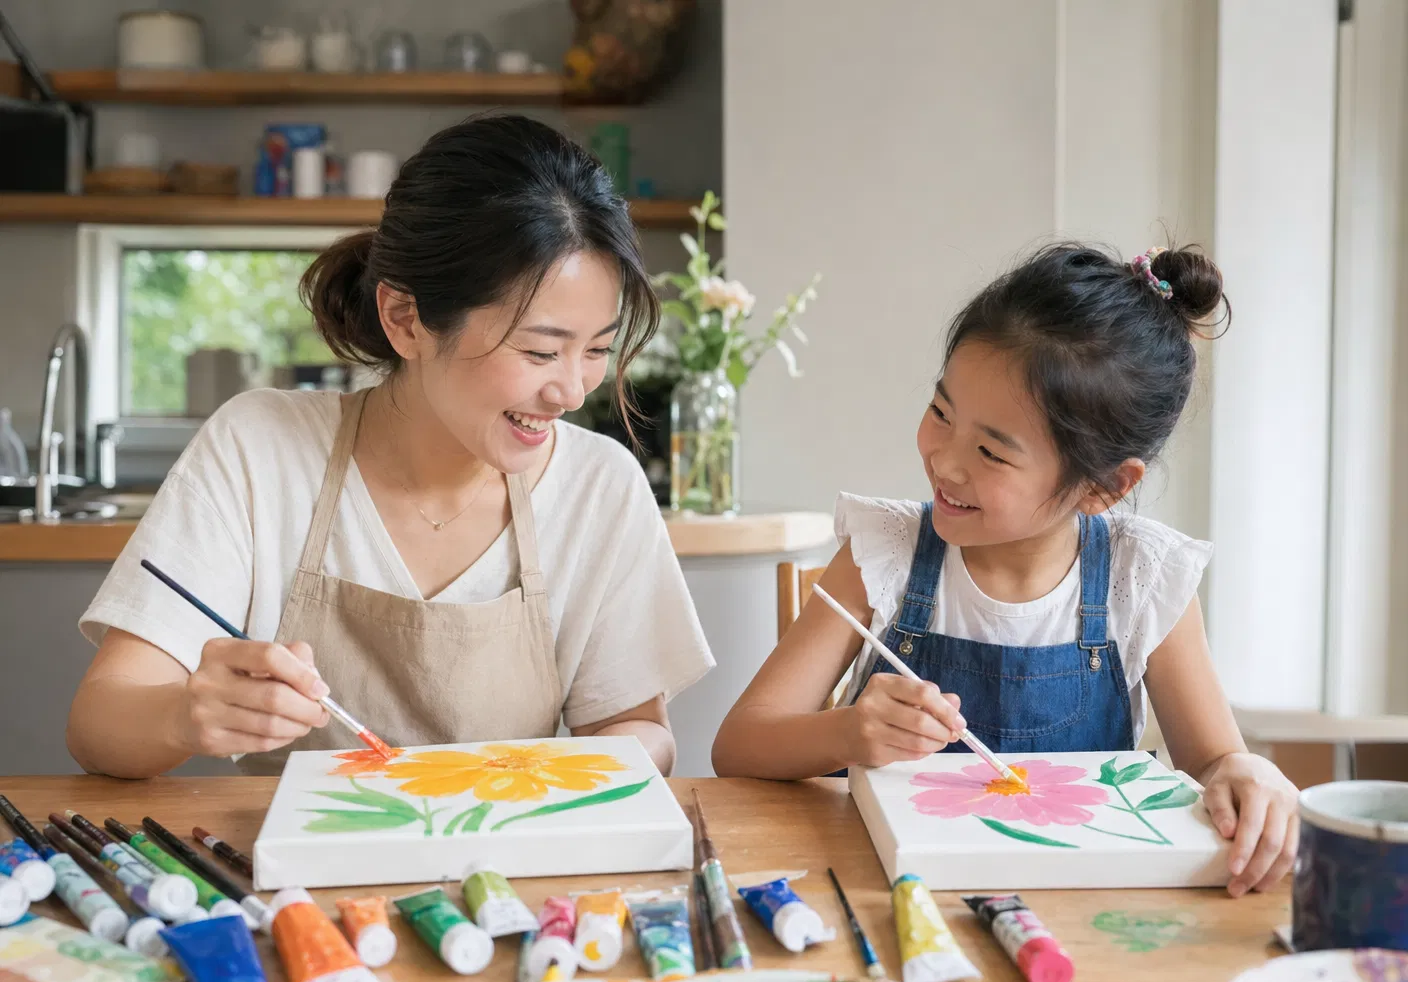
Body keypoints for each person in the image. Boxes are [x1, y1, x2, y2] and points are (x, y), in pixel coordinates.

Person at [68, 115, 713, 778]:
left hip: (510, 870)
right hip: (303, 879)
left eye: (598, 350)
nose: (573, 392)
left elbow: (635, 727)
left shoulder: (599, 485)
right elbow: (99, 724)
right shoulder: (260, 448)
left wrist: (571, 776)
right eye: (540, 351)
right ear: (405, 319)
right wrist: (184, 715)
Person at [712, 243, 1298, 898]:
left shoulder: (1142, 577)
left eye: (991, 452)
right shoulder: (886, 553)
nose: (946, 462)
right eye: (941, 413)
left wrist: (1248, 772)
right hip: (894, 895)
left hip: (1077, 906)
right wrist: (847, 733)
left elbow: (1213, 760)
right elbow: (739, 744)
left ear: (1103, 487)